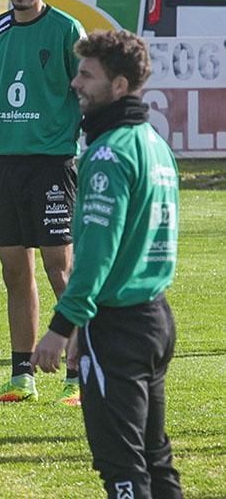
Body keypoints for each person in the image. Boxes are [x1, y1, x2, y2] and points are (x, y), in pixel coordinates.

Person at [33, 30, 182, 498]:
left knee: (121, 467)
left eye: (85, 74)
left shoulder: (107, 154)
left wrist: (62, 326)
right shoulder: (155, 144)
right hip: (155, 316)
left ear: (118, 86)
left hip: (117, 326)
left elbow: (96, 257)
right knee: (155, 458)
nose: (75, 83)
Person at [0, 0, 86, 404]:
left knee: (61, 271)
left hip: (54, 164)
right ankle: (22, 376)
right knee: (14, 270)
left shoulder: (66, 29)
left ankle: (79, 375)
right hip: (9, 164)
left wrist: (88, 145)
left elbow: (88, 90)